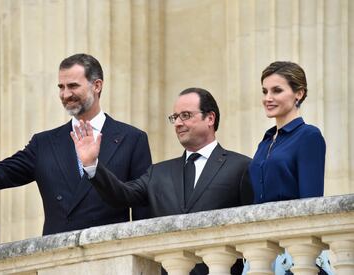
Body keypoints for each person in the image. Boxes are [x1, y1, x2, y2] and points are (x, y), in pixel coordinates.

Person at [0, 53, 152, 235]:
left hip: (111, 260)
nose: (65, 95)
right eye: (61, 87)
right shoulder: (44, 144)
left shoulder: (132, 139)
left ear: (97, 85)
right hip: (57, 261)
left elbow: (143, 208)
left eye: (73, 86)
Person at [71, 87, 254, 275]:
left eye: (186, 115)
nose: (178, 123)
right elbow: (121, 195)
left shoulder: (240, 167)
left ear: (210, 118)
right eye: (175, 117)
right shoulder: (158, 173)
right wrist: (92, 164)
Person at [248, 61, 328, 274]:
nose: (268, 98)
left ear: (298, 94)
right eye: (265, 91)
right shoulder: (265, 142)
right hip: (260, 248)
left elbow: (311, 201)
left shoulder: (309, 136)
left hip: (293, 249)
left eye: (277, 90)